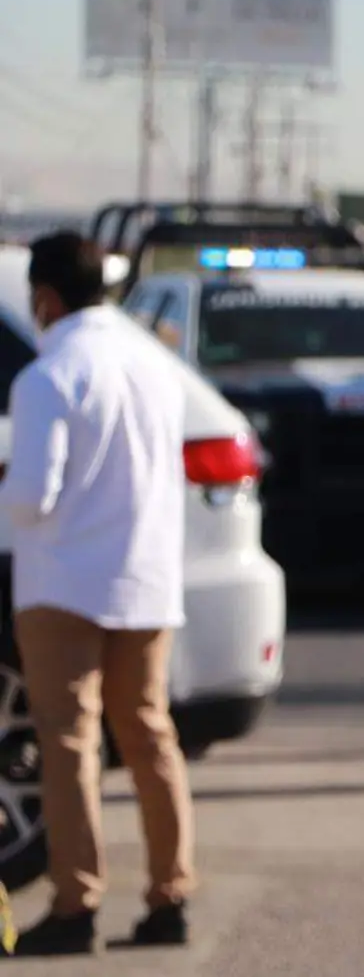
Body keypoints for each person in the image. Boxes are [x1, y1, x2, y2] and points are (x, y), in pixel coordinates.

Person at [0, 232, 194, 955]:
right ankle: (170, 897)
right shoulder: (155, 364)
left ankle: (77, 904)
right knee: (150, 739)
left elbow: (32, 498)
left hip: (63, 587)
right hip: (145, 580)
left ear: (45, 299)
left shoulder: (47, 377)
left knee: (70, 743)